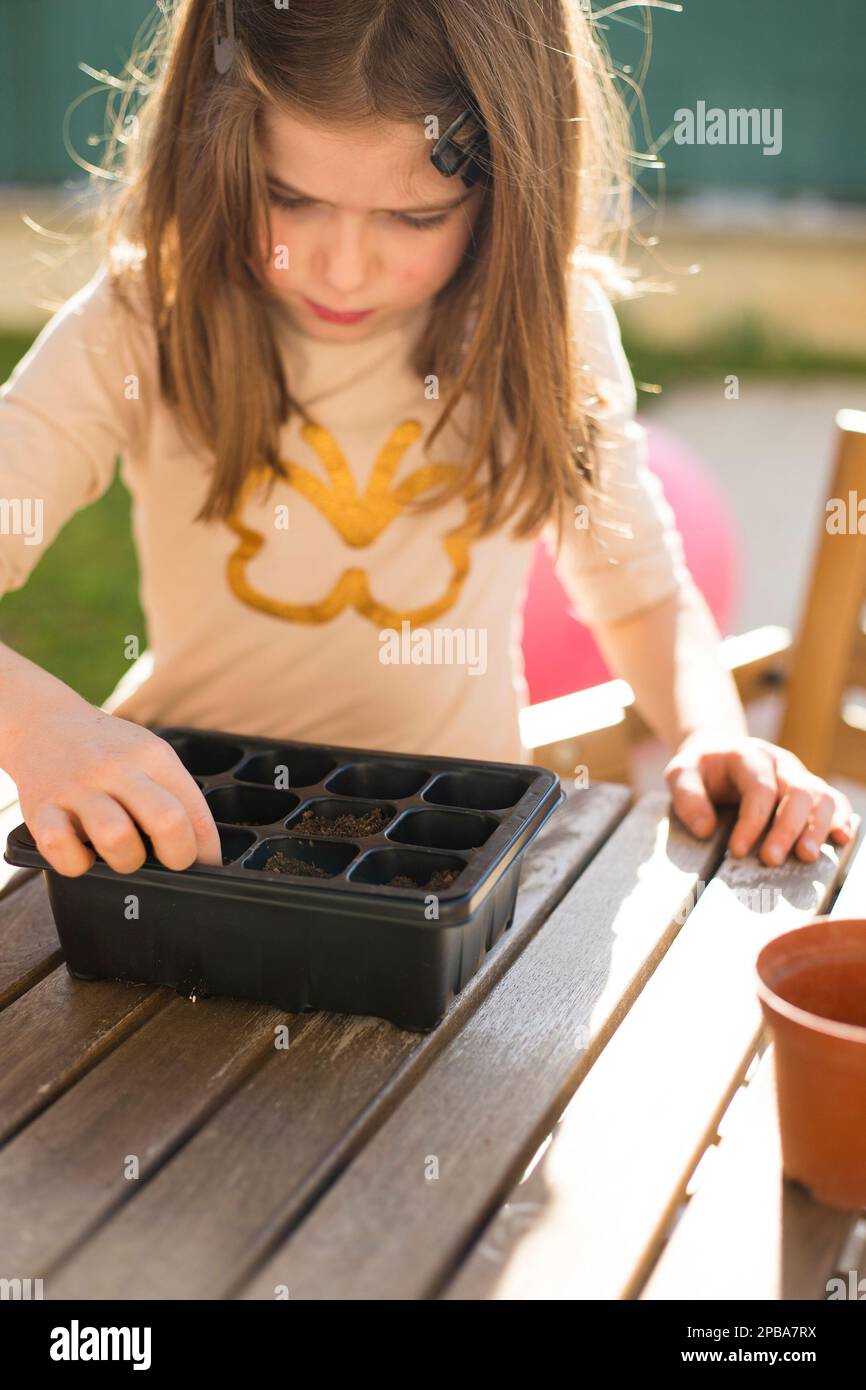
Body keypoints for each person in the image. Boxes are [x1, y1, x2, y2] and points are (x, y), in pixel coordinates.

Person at [0, 0, 852, 880]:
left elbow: (641, 598)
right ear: (217, 144)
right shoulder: (145, 319)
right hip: (188, 846)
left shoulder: (541, 329)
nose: (341, 266)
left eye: (412, 218)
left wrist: (712, 732)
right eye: (289, 197)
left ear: (503, 192)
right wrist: (36, 725)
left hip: (452, 855)